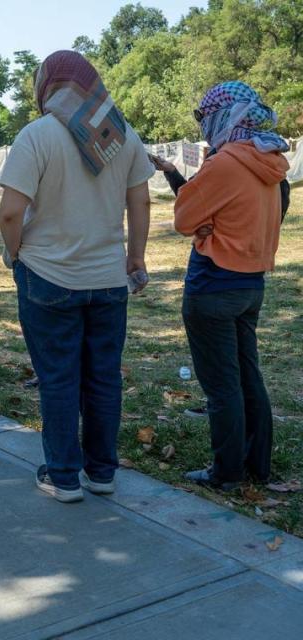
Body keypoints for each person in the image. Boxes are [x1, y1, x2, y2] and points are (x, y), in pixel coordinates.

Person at [0, 50, 154, 503]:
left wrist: (15, 255)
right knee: (104, 378)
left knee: (59, 379)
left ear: (46, 85)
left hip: (48, 276)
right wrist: (136, 256)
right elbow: (140, 202)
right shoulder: (120, 135)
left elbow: (10, 212)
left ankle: (64, 476)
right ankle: (102, 471)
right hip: (108, 278)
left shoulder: (37, 135)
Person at [152, 81, 289, 491]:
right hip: (251, 284)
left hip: (212, 286)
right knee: (249, 376)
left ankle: (226, 472)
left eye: (205, 115)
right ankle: (257, 467)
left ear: (225, 116)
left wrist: (205, 225)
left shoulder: (225, 162)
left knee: (222, 386)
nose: (204, 124)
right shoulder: (272, 163)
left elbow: (182, 220)